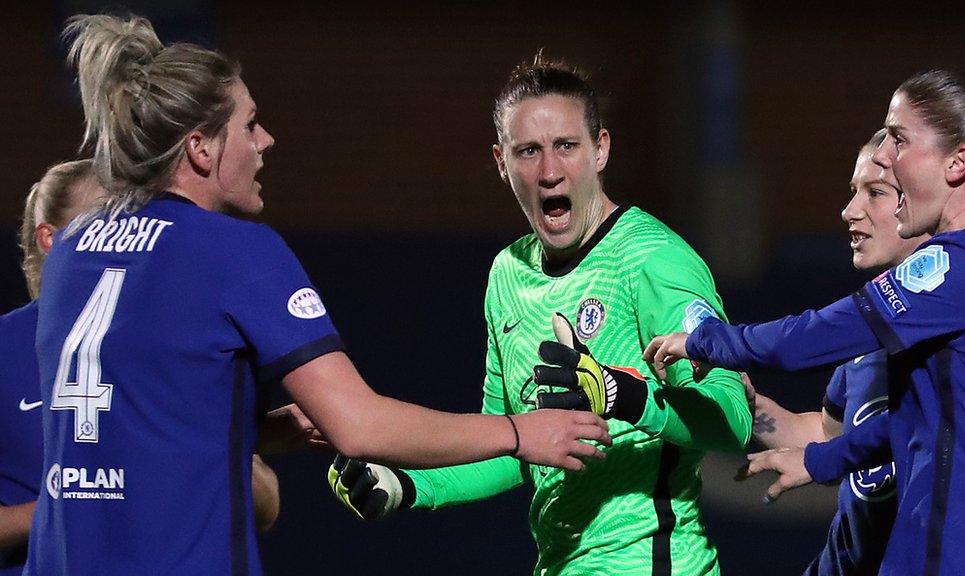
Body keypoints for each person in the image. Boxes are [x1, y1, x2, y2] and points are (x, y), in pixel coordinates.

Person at [25, 15, 610, 576]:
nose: (267, 140)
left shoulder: (74, 248)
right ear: (201, 149)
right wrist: (520, 431)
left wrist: (263, 430)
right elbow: (359, 425)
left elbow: (127, 423)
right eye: (249, 125)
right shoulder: (235, 250)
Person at [328, 55, 751, 576]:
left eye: (566, 146)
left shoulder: (653, 259)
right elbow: (508, 441)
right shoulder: (507, 273)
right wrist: (411, 484)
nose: (550, 171)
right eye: (528, 151)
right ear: (501, 162)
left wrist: (625, 395)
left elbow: (733, 418)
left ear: (601, 149)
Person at [644, 68, 965, 575]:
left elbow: (808, 339)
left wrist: (707, 341)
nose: (886, 155)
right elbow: (915, 426)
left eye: (898, 139)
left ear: (958, 161)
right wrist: (819, 458)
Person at [0, 160, 284, 574]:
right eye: (106, 220)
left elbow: (265, 504)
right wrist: (79, 507)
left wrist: (202, 473)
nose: (124, 237)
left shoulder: (170, 342)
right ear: (51, 239)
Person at [747, 129, 928, 575]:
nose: (850, 212)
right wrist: (746, 404)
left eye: (875, 192)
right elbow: (830, 434)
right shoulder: (868, 332)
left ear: (923, 201)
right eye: (853, 192)